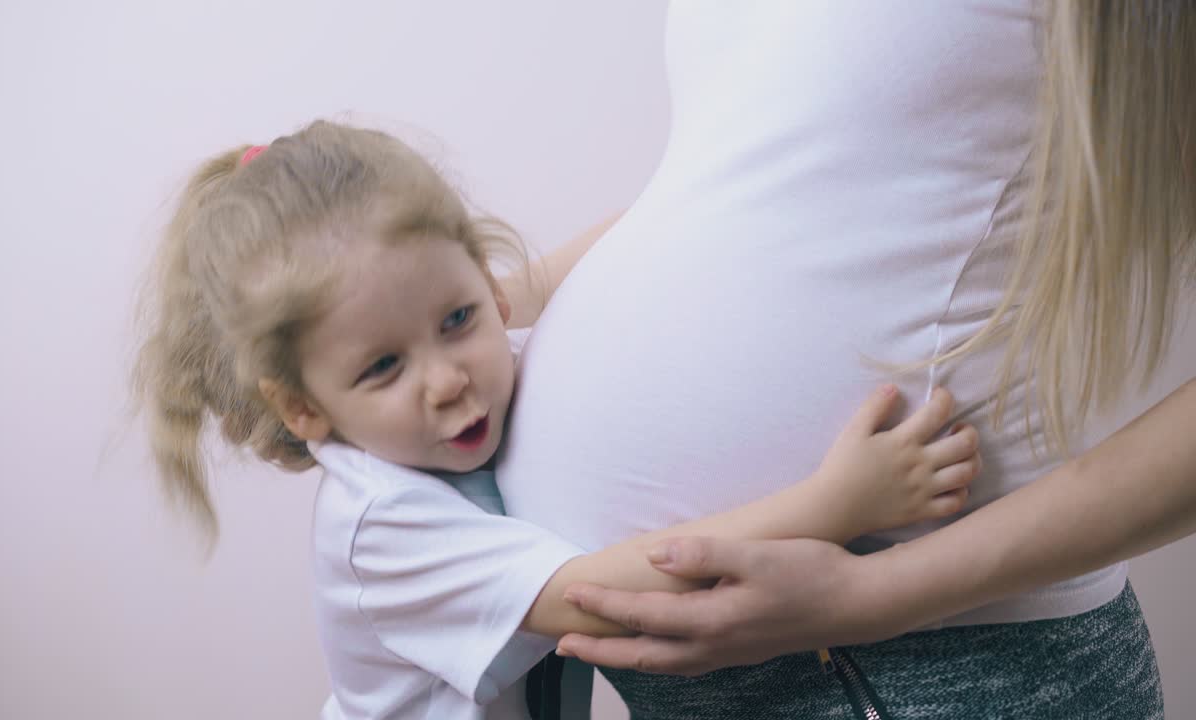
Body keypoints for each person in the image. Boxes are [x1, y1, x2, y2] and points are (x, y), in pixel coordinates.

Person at [130, 120, 982, 719]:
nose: (447, 379)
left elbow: (635, 239)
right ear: (305, 407)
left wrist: (731, 194)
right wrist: (840, 504)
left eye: (458, 319)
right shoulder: (378, 527)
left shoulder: (465, 358)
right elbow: (599, 596)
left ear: (486, 282)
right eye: (384, 367)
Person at [496, 1, 1194, 718]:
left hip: (932, 657)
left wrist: (871, 596)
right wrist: (480, 306)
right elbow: (757, 174)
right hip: (711, 678)